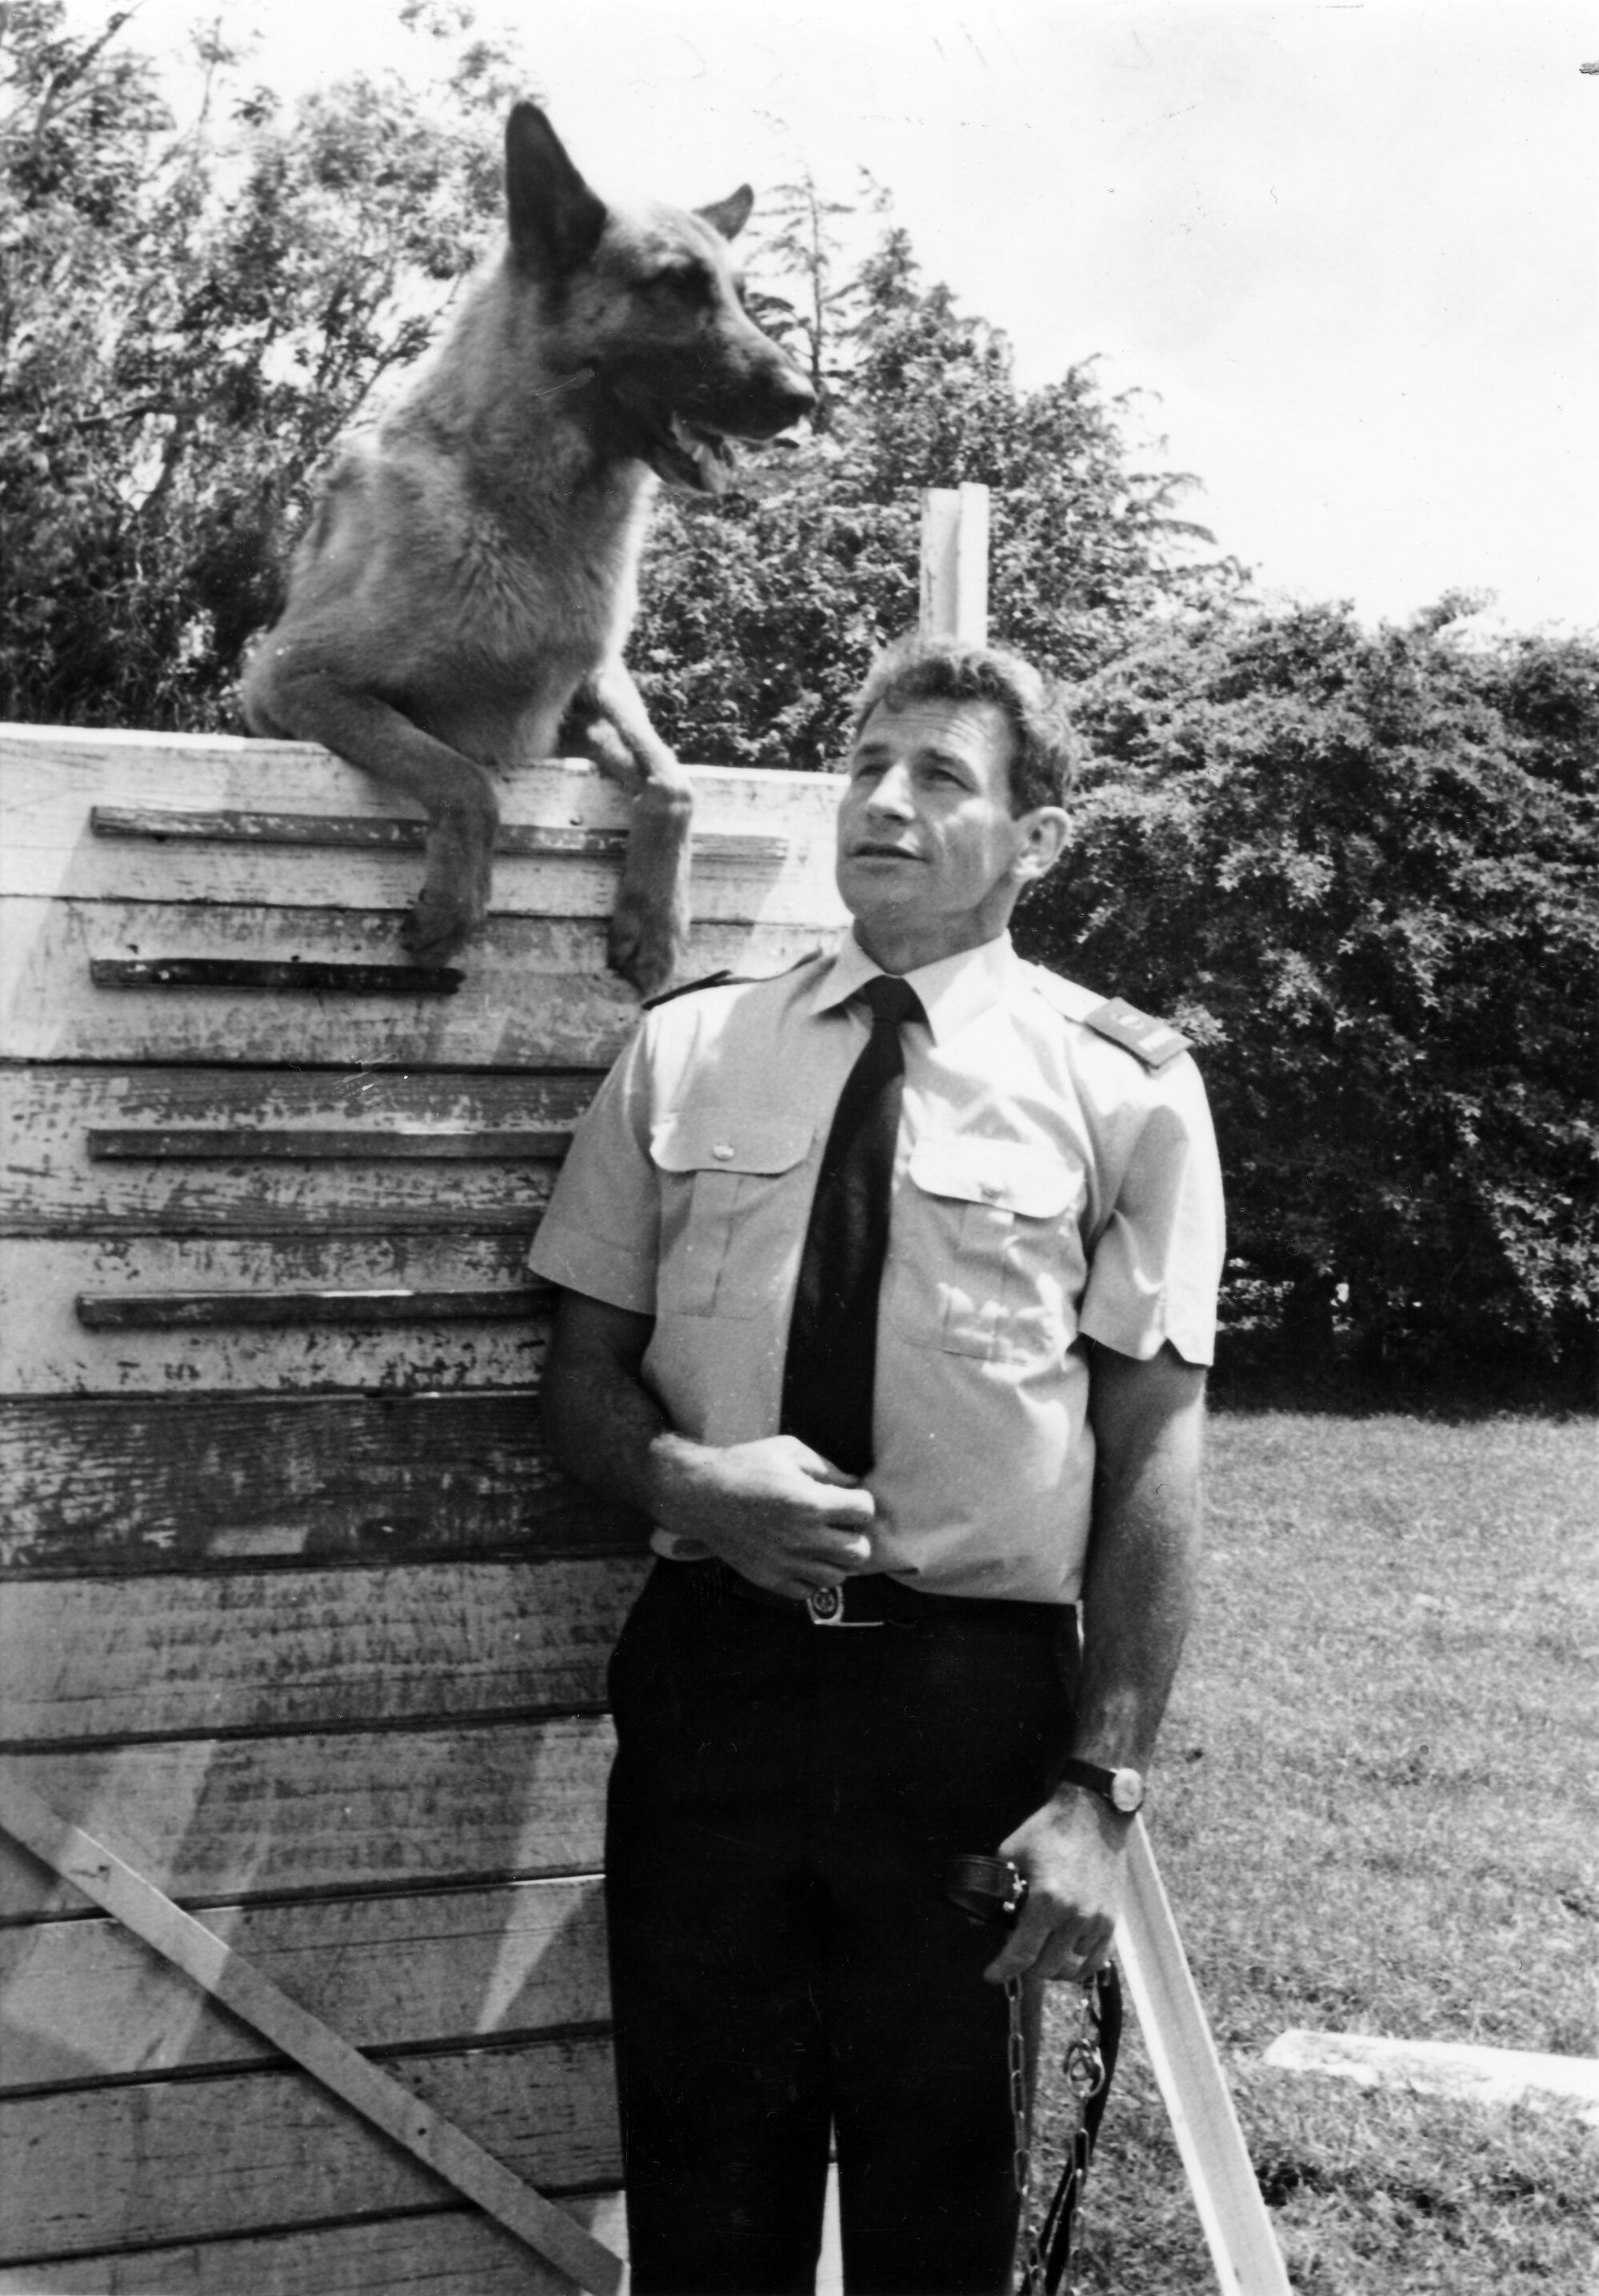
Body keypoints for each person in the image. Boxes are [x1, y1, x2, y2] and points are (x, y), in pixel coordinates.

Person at [531, 633, 1225, 2296]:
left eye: (941, 776)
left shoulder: (1121, 1085)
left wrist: (1100, 1785)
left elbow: (1152, 1444)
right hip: (716, 1683)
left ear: (1033, 837)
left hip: (962, 1711)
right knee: (705, 2198)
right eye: (866, 762)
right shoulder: (691, 1048)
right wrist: (686, 1485)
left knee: (938, 2214)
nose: (886, 801)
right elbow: (575, 1374)